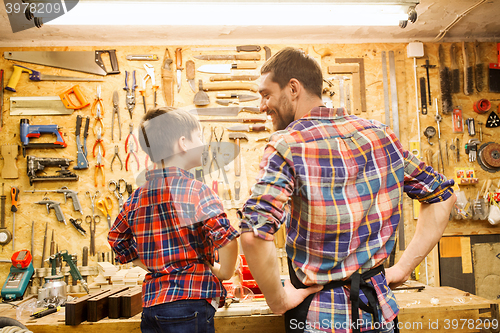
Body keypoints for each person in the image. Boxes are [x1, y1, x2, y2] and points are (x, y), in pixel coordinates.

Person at [238, 47, 456, 333]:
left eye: (266, 94)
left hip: (320, 319)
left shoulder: (285, 144)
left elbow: (254, 234)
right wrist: (402, 269)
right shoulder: (381, 135)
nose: (262, 105)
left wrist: (277, 301)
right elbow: (442, 195)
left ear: (293, 88)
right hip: (380, 315)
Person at [108, 107, 239, 333]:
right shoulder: (197, 191)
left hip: (152, 307)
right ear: (183, 143)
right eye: (199, 136)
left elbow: (116, 239)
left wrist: (154, 264)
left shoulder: (136, 198)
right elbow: (227, 240)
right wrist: (223, 272)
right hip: (191, 304)